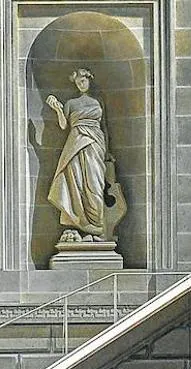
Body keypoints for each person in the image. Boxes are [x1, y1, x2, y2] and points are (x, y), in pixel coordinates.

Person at [46, 68, 111, 242]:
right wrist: (58, 109)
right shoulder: (71, 103)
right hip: (75, 143)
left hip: (96, 144)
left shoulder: (98, 101)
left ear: (89, 80)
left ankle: (96, 228)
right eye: (77, 83)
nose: (81, 85)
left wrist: (108, 151)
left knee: (95, 184)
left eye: (83, 81)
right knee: (76, 183)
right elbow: (63, 126)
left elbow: (104, 126)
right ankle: (76, 226)